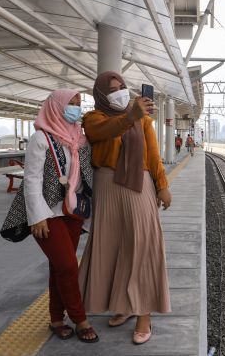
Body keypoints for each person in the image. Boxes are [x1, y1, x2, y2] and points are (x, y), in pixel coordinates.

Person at [78, 71, 172, 345]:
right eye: (113, 88)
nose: (120, 91)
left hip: (139, 183)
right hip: (107, 185)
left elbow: (152, 154)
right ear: (101, 95)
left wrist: (162, 184)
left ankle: (144, 314)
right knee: (113, 247)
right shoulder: (93, 118)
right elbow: (103, 132)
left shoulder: (141, 119)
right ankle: (124, 304)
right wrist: (129, 116)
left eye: (123, 87)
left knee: (143, 245)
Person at [22, 89, 98, 343]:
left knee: (59, 268)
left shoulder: (79, 138)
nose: (75, 108)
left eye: (78, 104)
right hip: (48, 214)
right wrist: (37, 217)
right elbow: (31, 179)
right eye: (70, 104)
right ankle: (80, 319)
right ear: (55, 107)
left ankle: (56, 319)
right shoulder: (41, 138)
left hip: (71, 212)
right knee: (67, 266)